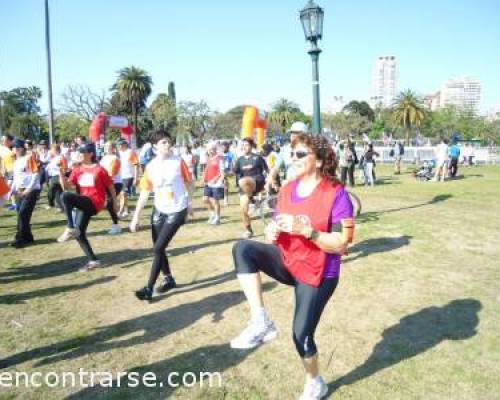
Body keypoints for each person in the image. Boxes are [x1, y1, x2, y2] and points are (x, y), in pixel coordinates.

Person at [230, 134, 354, 400]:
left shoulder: (336, 192)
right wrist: (272, 232)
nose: (293, 158)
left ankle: (315, 382)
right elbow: (275, 229)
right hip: (289, 261)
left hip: (320, 272)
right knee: (243, 249)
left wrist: (308, 231)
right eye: (292, 153)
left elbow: (342, 244)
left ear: (319, 161)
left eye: (300, 154)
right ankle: (261, 321)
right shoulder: (287, 189)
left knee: (301, 337)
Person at [130, 133, 193, 301]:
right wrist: (136, 216)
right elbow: (144, 192)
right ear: (155, 146)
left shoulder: (178, 162)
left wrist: (190, 202)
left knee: (157, 248)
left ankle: (148, 288)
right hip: (159, 209)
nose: (168, 144)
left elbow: (189, 183)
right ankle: (169, 279)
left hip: (177, 209)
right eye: (163, 142)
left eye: (169, 141)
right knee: (159, 248)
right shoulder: (150, 166)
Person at [57, 143, 118, 271]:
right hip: (83, 202)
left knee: (66, 196)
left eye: (82, 152)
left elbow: (111, 186)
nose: (79, 154)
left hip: (95, 202)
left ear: (90, 154)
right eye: (79, 152)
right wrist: (60, 171)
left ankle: (70, 227)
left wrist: (115, 202)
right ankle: (94, 260)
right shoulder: (77, 169)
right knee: (79, 234)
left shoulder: (100, 169)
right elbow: (67, 186)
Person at [234, 138, 269, 238]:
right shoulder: (239, 160)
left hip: (256, 182)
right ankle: (249, 230)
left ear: (251, 146)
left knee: (244, 181)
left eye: (246, 145)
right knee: (243, 209)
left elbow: (267, 170)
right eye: (243, 145)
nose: (244, 147)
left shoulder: (257, 158)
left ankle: (252, 201)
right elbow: (235, 172)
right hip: (244, 187)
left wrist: (270, 182)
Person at [10, 139, 41, 248]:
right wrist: (12, 190)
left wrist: (29, 188)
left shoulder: (29, 158)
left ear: (20, 148)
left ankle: (20, 238)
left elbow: (35, 174)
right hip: (19, 191)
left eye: (14, 148)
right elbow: (16, 178)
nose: (13, 150)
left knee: (23, 214)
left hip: (30, 191)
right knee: (21, 214)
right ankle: (28, 237)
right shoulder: (16, 161)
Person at [100, 141, 123, 235]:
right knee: (107, 204)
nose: (106, 148)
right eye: (105, 146)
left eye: (108, 146)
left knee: (109, 204)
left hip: (115, 184)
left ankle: (116, 225)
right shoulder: (103, 158)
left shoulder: (115, 158)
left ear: (113, 148)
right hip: (106, 184)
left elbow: (111, 173)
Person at [203, 142, 225, 225]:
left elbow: (222, 172)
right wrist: (204, 177)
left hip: (217, 183)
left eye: (212, 149)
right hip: (208, 182)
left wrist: (216, 179)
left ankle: (217, 218)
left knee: (215, 201)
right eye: (209, 150)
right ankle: (212, 213)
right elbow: (207, 170)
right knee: (205, 199)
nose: (210, 151)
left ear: (215, 149)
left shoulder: (220, 158)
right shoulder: (208, 158)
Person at [117, 139, 139, 218]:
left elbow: (136, 165)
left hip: (129, 176)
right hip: (120, 177)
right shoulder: (118, 153)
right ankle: (126, 211)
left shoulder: (130, 152)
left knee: (123, 193)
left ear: (125, 145)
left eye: (120, 145)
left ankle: (120, 211)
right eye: (118, 145)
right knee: (123, 195)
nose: (119, 146)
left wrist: (136, 178)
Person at [45, 143, 68, 211]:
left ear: (56, 150)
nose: (51, 151)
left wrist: (62, 175)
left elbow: (65, 167)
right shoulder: (53, 158)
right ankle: (62, 207)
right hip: (53, 176)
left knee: (51, 190)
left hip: (58, 176)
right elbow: (48, 168)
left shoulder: (61, 157)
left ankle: (51, 204)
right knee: (58, 193)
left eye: (52, 150)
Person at [222, 141, 236, 206]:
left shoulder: (231, 154)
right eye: (222, 147)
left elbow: (234, 163)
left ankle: (225, 200)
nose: (223, 148)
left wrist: (232, 170)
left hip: (227, 171)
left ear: (227, 148)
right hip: (220, 171)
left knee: (225, 186)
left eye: (224, 147)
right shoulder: (220, 154)